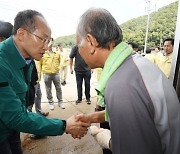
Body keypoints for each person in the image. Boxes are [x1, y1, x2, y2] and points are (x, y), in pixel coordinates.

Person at [75, 8, 180, 153]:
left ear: (91, 42)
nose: (79, 52)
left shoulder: (120, 86)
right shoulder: (134, 64)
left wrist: (108, 140)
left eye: (79, 46)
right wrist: (91, 117)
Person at [0, 9, 90, 154]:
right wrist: (64, 126)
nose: (47, 46)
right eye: (44, 39)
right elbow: (15, 117)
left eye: (49, 41)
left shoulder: (26, 57)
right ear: (22, 34)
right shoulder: (2, 63)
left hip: (12, 128)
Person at [40, 39, 65, 110]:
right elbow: (39, 64)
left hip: (56, 73)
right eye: (48, 43)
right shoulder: (43, 53)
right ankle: (50, 102)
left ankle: (60, 102)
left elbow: (60, 62)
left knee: (59, 88)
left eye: (51, 43)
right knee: (48, 89)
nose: (50, 45)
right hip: (46, 74)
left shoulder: (57, 53)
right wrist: (40, 74)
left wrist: (57, 68)